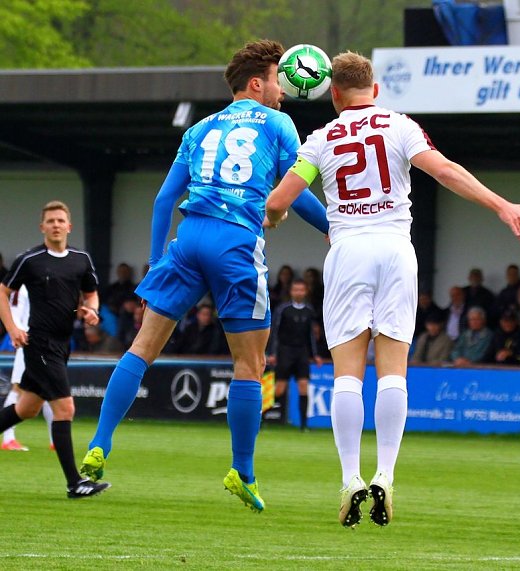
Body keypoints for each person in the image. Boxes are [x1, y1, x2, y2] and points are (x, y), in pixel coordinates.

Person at [265, 50, 520, 527]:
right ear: (375, 90)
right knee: (393, 370)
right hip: (395, 248)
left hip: (347, 251)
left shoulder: (321, 138)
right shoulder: (400, 125)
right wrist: (500, 205)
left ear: (332, 95)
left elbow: (279, 200)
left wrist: (275, 215)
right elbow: (445, 171)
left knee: (348, 373)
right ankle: (385, 476)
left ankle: (350, 478)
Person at [79, 40, 330, 513]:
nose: (284, 90)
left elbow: (162, 200)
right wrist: (333, 230)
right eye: (279, 79)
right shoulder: (279, 124)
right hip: (235, 242)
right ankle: (244, 471)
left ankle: (100, 441)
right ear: (257, 83)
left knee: (141, 350)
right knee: (250, 366)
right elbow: (293, 194)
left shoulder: (197, 129)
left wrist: (156, 260)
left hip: (188, 238)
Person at [0, 201, 109, 498]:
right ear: (43, 227)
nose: (56, 225)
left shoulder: (81, 259)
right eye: (51, 221)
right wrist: (12, 329)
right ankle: (75, 483)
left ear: (69, 226)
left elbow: (91, 294)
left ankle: (75, 483)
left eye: (61, 220)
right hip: (40, 344)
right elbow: (3, 291)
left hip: (63, 345)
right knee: (65, 408)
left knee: (26, 408)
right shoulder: (30, 260)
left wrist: (91, 311)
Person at [1, 285, 55, 452]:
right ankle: (8, 439)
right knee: (18, 389)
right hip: (29, 342)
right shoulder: (23, 285)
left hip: (46, 344)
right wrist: (19, 334)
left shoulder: (40, 281)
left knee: (50, 390)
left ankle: (56, 440)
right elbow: (15, 314)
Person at [268, 279, 323, 431]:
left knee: (304, 386)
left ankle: (304, 425)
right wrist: (272, 352)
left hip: (302, 353)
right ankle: (259, 418)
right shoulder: (283, 309)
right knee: (279, 389)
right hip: (285, 351)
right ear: (291, 292)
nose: (298, 292)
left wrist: (315, 354)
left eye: (301, 290)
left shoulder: (309, 311)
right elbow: (275, 332)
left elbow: (311, 335)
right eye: (295, 290)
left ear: (305, 292)